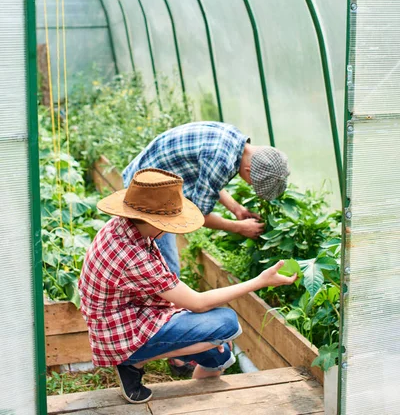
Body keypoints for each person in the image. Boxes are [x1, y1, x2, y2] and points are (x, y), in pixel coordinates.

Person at [79, 168, 297, 404]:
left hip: (128, 314)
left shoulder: (123, 227)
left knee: (216, 353)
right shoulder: (133, 255)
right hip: (120, 334)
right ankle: (133, 360)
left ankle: (201, 401)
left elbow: (166, 293)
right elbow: (198, 303)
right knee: (226, 323)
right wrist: (260, 281)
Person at [123, 121, 290, 277]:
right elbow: (197, 216)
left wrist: (237, 209)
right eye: (254, 183)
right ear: (248, 170)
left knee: (153, 261)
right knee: (167, 270)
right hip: (147, 192)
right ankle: (162, 307)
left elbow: (209, 180)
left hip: (152, 174)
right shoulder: (222, 161)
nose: (251, 186)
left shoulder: (234, 140)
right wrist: (239, 227)